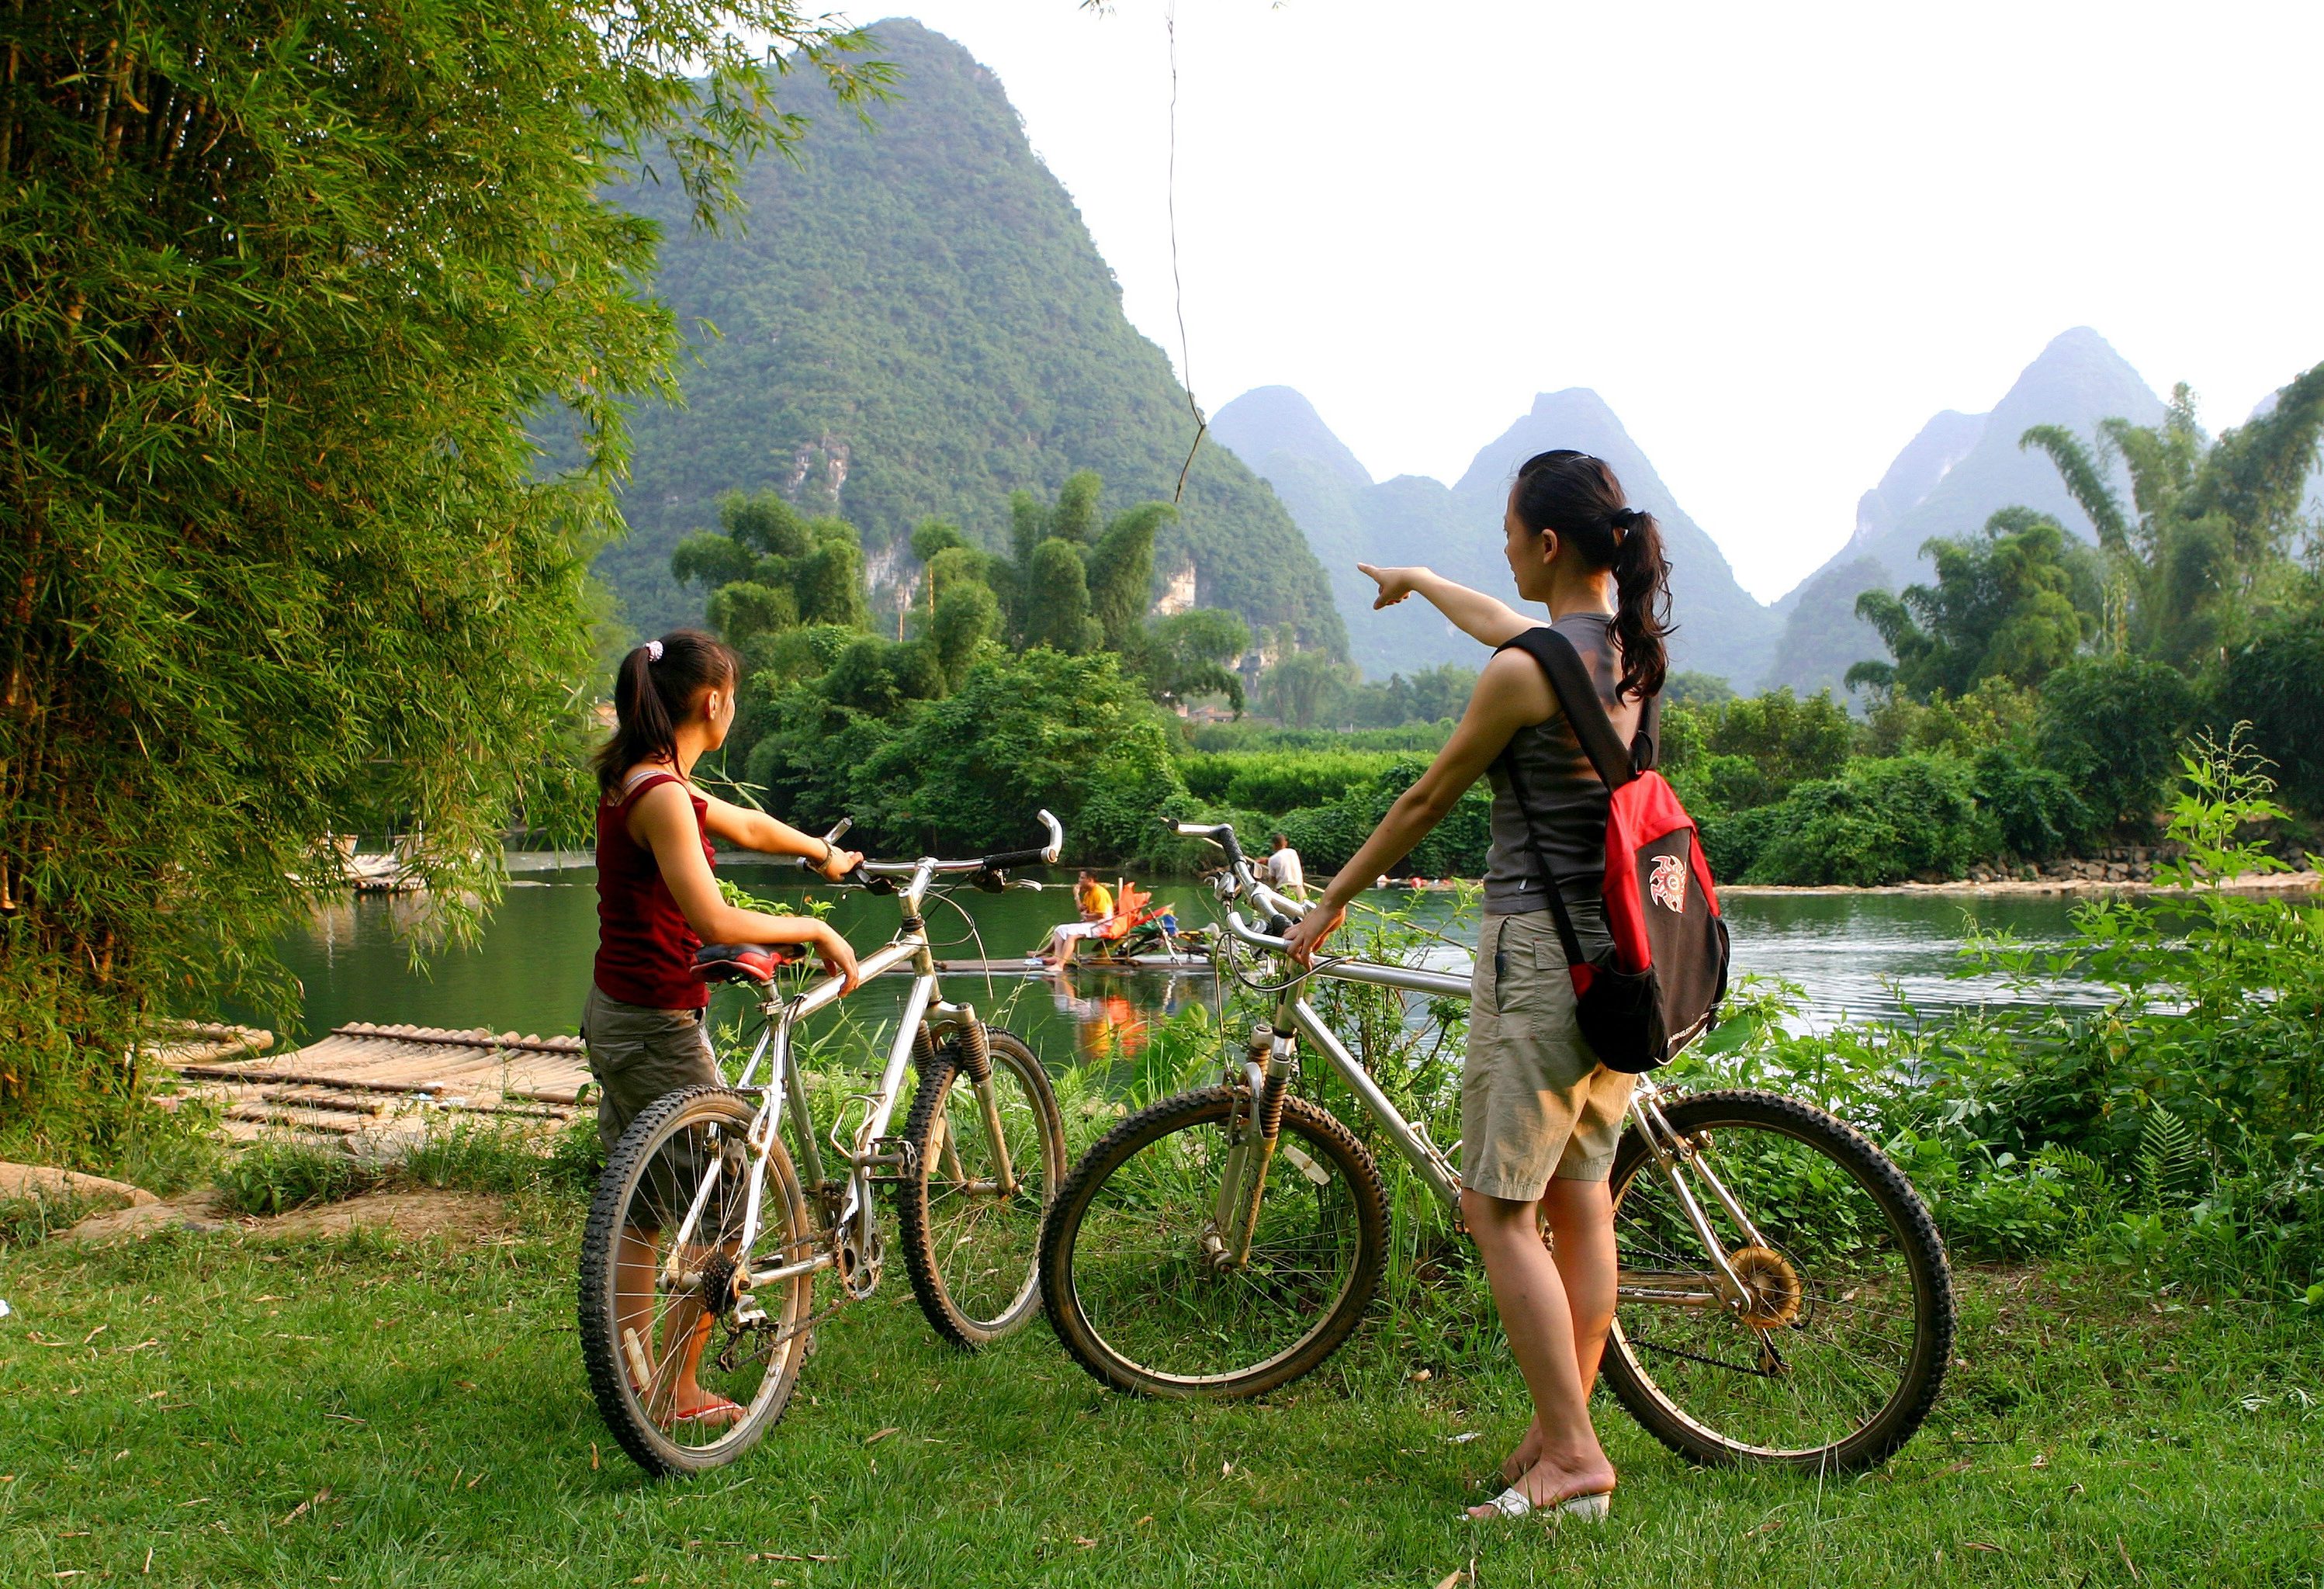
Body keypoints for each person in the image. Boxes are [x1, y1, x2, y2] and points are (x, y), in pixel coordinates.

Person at [1281, 451, 1672, 1525]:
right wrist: (1414, 577)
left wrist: (1327, 902)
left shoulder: (1524, 675)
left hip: (1538, 962)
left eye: (1506, 528)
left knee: (1492, 1209)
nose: (1499, 545)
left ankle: (1574, 1461)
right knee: (1576, 1198)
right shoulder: (1629, 654)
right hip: (1616, 963)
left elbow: (1423, 800)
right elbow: (1505, 619)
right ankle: (1562, 1436)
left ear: (1546, 542)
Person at [587, 629, 863, 1429]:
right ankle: (673, 1394)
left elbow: (743, 824)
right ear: (713, 702)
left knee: (644, 1203)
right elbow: (708, 913)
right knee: (731, 1202)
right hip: (655, 1023)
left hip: (621, 1012)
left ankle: (636, 1372)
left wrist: (822, 852)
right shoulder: (664, 795)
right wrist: (810, 926)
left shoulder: (645, 776)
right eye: (732, 695)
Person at [1037, 870, 1117, 970]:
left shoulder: (1099, 892)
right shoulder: (1088, 893)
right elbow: (1081, 909)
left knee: (1072, 933)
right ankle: (1057, 957)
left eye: (1082, 878)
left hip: (1102, 925)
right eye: (1080, 877)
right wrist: (1076, 895)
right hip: (1092, 923)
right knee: (1059, 929)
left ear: (1090, 880)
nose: (1079, 880)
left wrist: (1087, 917)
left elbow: (1101, 915)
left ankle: (1060, 965)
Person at [1263, 833, 1308, 901]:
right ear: (1285, 843)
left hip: (1284, 890)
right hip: (1299, 889)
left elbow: (1273, 880)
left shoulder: (1272, 860)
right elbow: (1283, 859)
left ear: (1274, 845)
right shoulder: (1293, 852)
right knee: (1304, 910)